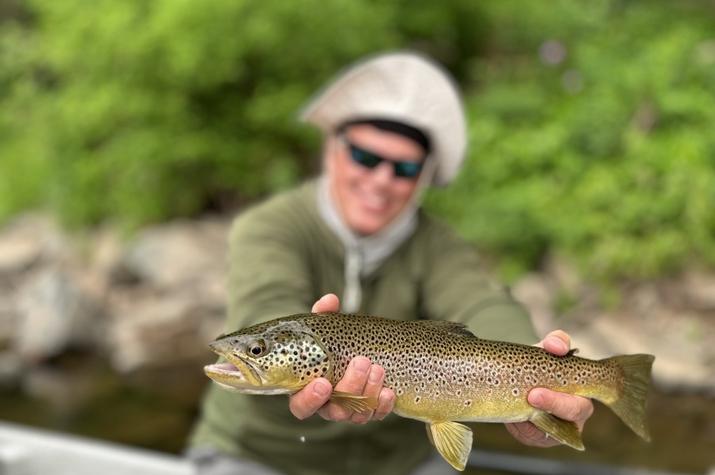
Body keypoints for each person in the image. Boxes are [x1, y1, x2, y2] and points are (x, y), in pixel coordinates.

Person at [188, 51, 594, 475]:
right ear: (331, 150)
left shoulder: (437, 244)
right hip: (258, 454)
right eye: (365, 157)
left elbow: (484, 304)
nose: (381, 180)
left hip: (397, 465)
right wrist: (271, 347)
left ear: (422, 178)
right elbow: (265, 307)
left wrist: (533, 370)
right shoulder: (270, 225)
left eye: (403, 168)